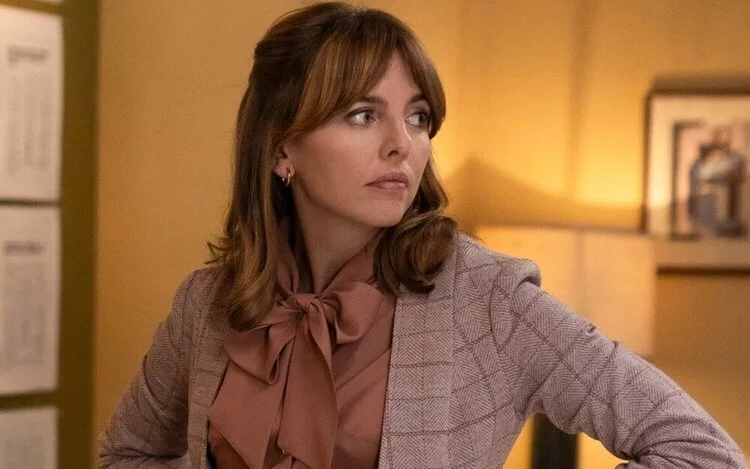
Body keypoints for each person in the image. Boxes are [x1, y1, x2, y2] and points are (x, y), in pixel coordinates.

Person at [99, 3, 746, 468]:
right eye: (362, 115)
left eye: (417, 116)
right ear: (280, 147)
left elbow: (702, 451)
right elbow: (126, 452)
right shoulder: (209, 303)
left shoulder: (489, 301)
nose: (401, 145)